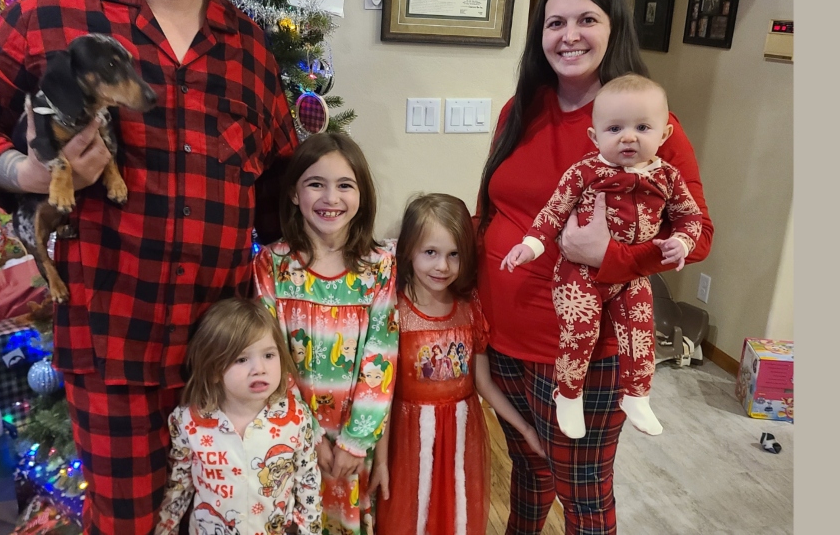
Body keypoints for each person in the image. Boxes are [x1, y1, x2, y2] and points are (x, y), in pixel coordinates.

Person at [0, 0, 298, 535]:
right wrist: (27, 173)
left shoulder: (250, 51)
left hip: (225, 360)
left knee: (231, 521)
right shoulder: (47, 21)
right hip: (114, 354)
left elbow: (276, 196)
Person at [475, 0, 713, 534]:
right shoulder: (519, 110)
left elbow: (697, 234)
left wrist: (610, 257)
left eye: (587, 19)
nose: (569, 35)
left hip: (586, 352)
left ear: (614, 28)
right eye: (555, 22)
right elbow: (492, 204)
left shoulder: (649, 126)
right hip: (503, 335)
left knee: (581, 493)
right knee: (529, 472)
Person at [500, 74, 705, 438]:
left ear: (664, 135)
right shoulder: (585, 172)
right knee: (579, 331)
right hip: (578, 274)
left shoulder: (668, 177)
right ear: (595, 137)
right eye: (614, 129)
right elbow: (552, 213)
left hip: (630, 277)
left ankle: (637, 395)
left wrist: (683, 243)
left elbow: (691, 218)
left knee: (641, 334)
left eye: (642, 127)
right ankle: (567, 393)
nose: (628, 137)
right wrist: (529, 247)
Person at [371, 193, 547, 535]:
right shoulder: (395, 312)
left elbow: (483, 383)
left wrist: (525, 428)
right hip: (407, 439)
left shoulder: (470, 309)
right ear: (408, 250)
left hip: (461, 432)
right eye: (431, 253)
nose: (443, 267)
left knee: (456, 513)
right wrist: (380, 461)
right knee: (409, 515)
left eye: (454, 255)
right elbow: (384, 395)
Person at [253, 133, 398, 535]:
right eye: (316, 183)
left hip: (352, 445)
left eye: (345, 185)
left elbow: (381, 358)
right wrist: (309, 437)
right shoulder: (272, 265)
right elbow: (269, 355)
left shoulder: (379, 268)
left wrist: (354, 442)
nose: (330, 197)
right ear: (295, 194)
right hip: (291, 437)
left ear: (361, 196)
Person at [155, 298, 322, 535]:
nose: (259, 369)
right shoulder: (189, 423)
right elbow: (177, 489)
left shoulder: (295, 418)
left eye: (268, 355)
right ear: (213, 370)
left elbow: (308, 485)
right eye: (242, 359)